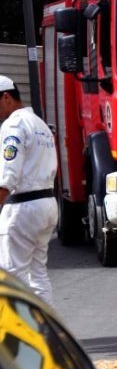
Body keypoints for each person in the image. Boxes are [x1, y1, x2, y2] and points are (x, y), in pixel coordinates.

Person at [0, 76, 58, 305]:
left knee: (12, 275)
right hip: (45, 204)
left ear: (6, 97)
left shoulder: (13, 125)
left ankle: (17, 336)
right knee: (38, 274)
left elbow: (8, 173)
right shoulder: (39, 124)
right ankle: (46, 333)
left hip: (23, 207)